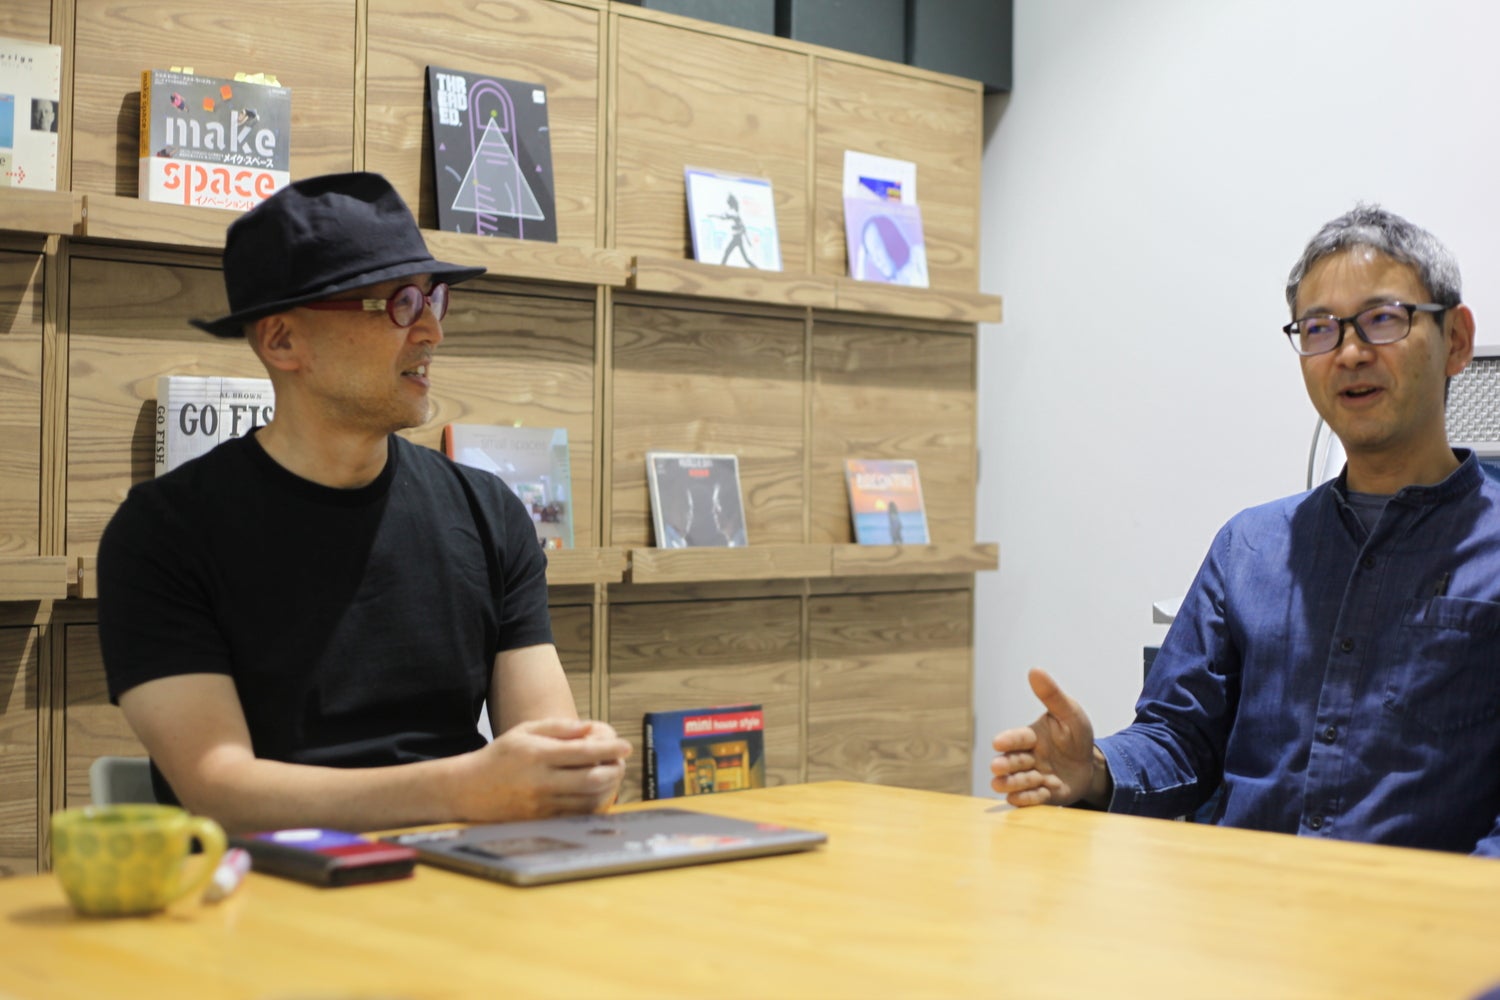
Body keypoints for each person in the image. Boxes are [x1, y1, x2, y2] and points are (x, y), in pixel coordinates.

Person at [97, 171, 630, 833]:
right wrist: (466, 788)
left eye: (434, 299)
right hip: (272, 882)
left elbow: (544, 744)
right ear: (282, 341)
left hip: (473, 874)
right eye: (400, 304)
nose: (432, 332)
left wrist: (575, 771)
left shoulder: (488, 511)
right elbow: (220, 792)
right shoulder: (163, 533)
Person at [991, 204, 1500, 857]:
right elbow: (1180, 739)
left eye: (1382, 319)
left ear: (1455, 340)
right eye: (1319, 328)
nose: (1349, 353)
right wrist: (1091, 768)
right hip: (1240, 904)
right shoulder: (1251, 546)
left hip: (1428, 915)